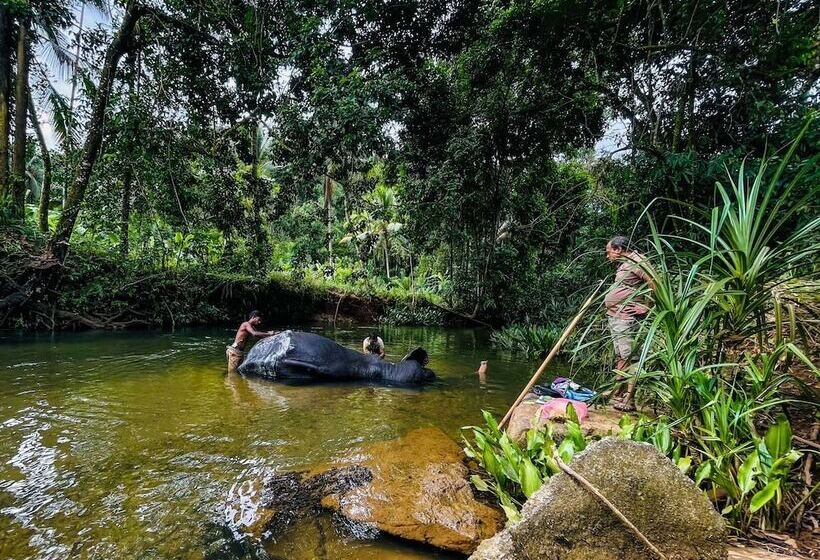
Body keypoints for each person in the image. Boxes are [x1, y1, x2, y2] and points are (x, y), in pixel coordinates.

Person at [603, 236, 654, 411]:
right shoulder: (626, 263)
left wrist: (647, 307)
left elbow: (655, 282)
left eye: (608, 251)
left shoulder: (638, 261)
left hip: (626, 318)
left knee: (630, 358)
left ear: (618, 249)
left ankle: (629, 399)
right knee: (621, 357)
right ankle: (618, 393)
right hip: (616, 316)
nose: (607, 255)